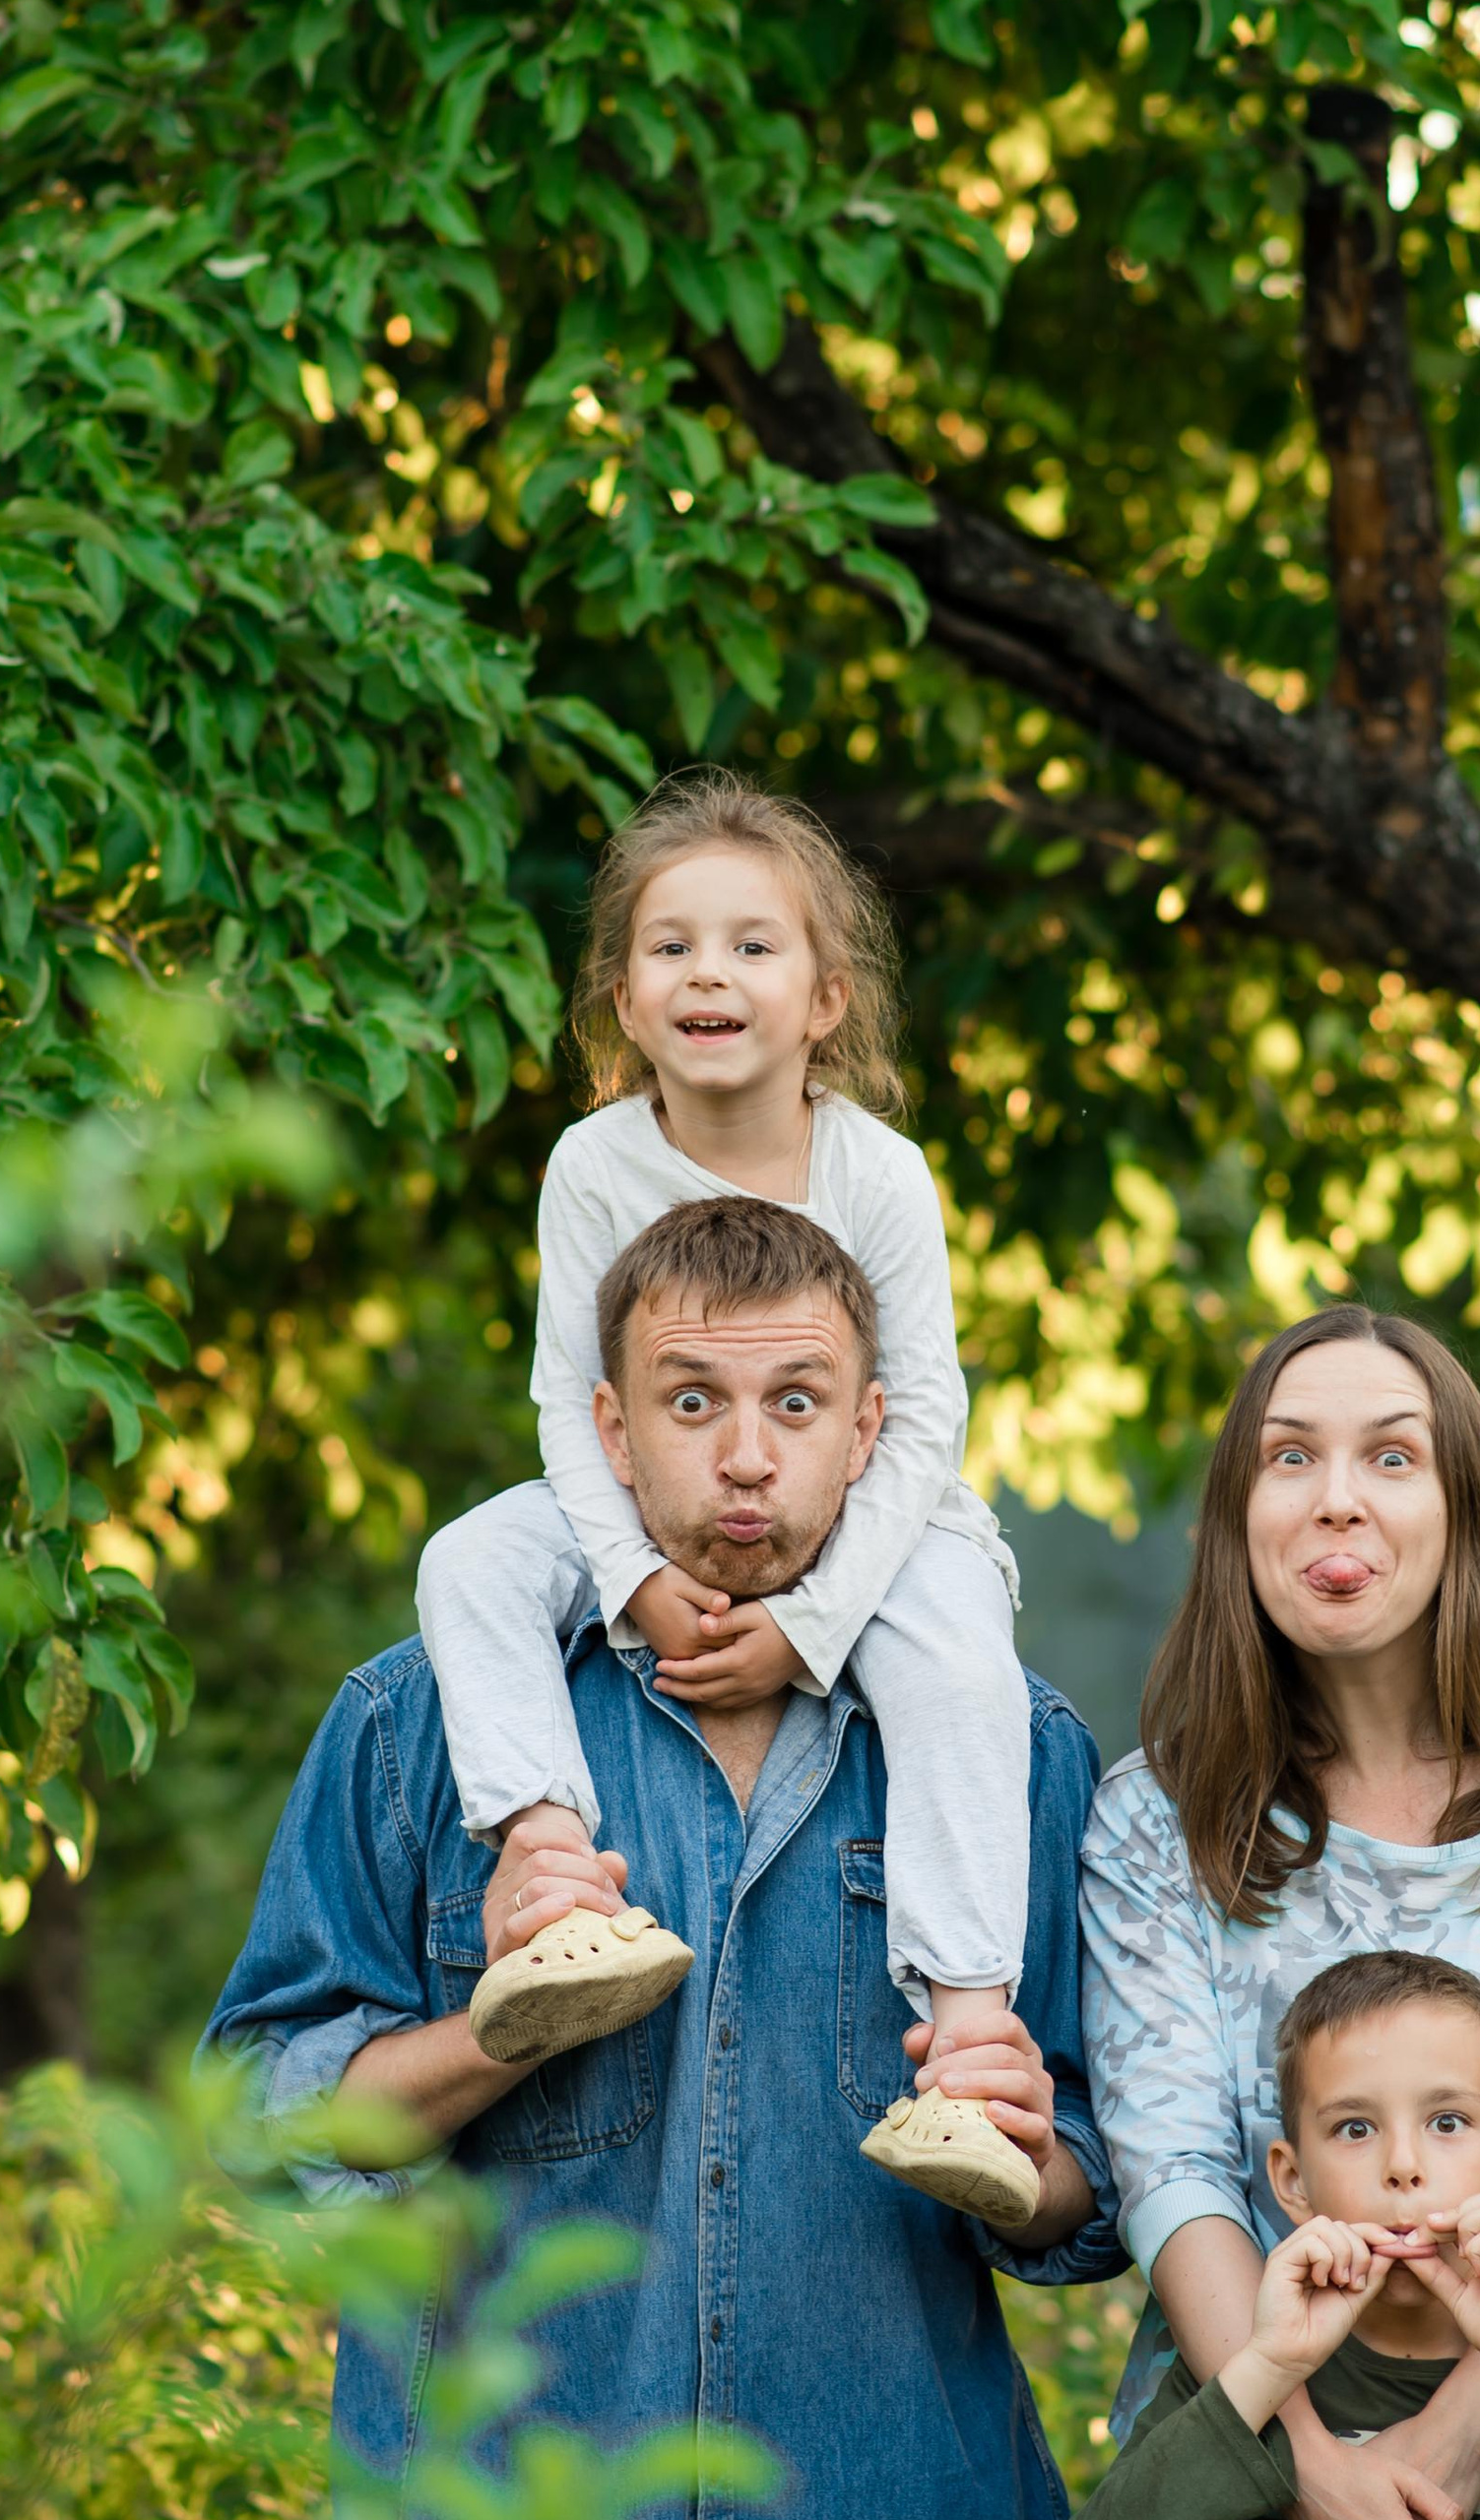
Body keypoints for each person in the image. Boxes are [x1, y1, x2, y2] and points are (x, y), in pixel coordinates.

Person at [204, 1197, 1124, 2517]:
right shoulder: (419, 1722)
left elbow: (1097, 2191)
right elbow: (253, 2119)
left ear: (869, 1431)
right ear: (609, 1433)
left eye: (796, 1403)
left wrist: (1028, 2149)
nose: (746, 1459)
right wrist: (498, 2039)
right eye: (692, 1403)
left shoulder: (1012, 1747)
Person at [413, 771, 1039, 2220]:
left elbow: (921, 1419)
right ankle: (558, 1880)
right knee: (469, 1562)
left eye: (753, 945)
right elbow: (569, 1405)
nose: (711, 973)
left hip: (872, 1522)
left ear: (825, 998)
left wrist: (814, 1625)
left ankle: (965, 2041)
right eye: (672, 946)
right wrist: (633, 1580)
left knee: (960, 1660)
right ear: (625, 1001)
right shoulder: (590, 1165)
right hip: (633, 1506)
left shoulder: (878, 1173)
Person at [1081, 1306, 1480, 2520]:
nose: (1337, 1500)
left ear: (1463, 1510)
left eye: (1391, 1456)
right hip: (1249, 2448)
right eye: (1289, 1456)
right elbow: (1173, 2174)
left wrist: (1457, 2439)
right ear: (1236, 1516)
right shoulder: (1154, 1818)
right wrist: (1307, 2461)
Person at [1080, 1952, 1480, 2520]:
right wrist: (1265, 2372)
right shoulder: (1242, 2376)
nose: (1402, 2165)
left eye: (1447, 2122)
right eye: (1355, 2128)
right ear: (1292, 2180)